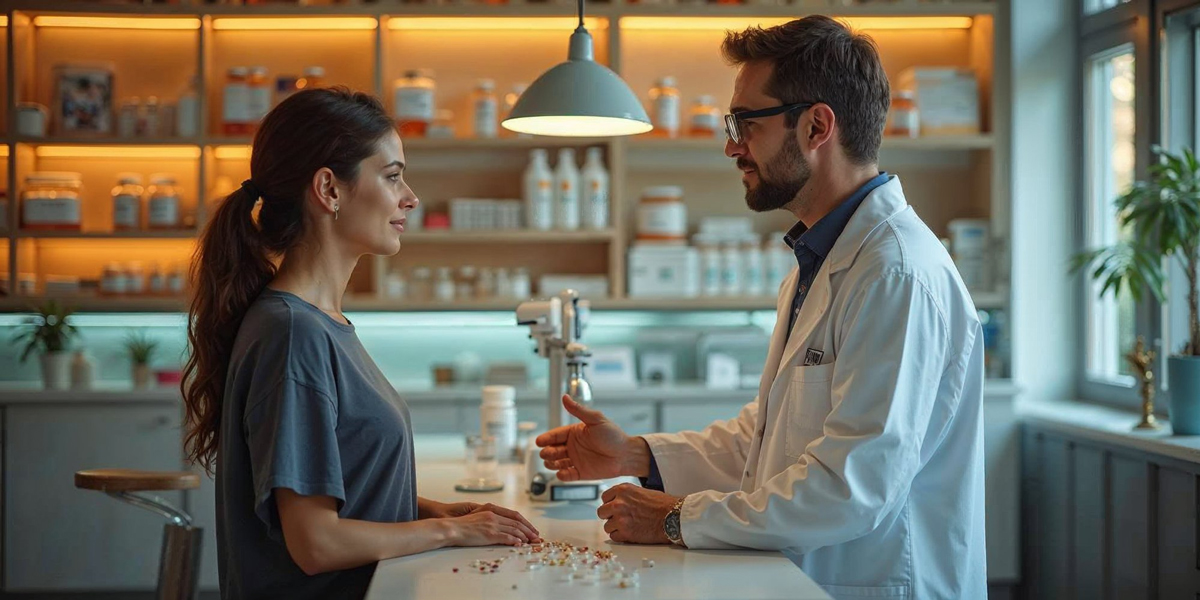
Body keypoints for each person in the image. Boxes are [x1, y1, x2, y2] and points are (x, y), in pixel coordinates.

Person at [535, 16, 986, 600]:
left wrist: (676, 518)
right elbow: (770, 439)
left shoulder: (894, 273)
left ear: (817, 126)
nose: (731, 145)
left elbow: (851, 488)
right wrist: (637, 454)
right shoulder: (819, 255)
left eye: (745, 123)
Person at [181, 88, 541, 600]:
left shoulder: (320, 323)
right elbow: (316, 543)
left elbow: (337, 485)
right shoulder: (292, 333)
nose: (410, 197)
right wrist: (452, 532)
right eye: (392, 176)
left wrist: (430, 510)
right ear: (329, 189)